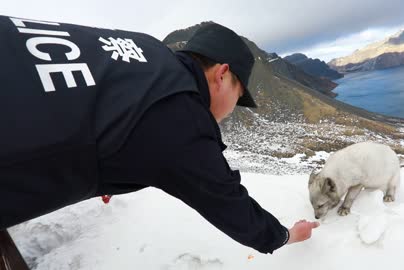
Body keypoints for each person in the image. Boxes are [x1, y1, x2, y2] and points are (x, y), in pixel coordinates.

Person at [0, 15, 319, 254]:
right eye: (238, 98)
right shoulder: (182, 117)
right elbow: (231, 206)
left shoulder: (147, 49)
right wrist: (288, 235)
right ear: (222, 75)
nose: (232, 109)